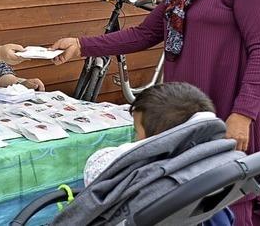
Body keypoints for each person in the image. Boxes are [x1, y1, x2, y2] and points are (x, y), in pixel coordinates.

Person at [52, 0, 260, 225]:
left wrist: (243, 114)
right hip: (186, 110)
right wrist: (82, 46)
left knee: (226, 196)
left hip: (227, 106)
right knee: (188, 198)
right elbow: (145, 33)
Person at [83, 82, 234, 225]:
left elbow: (97, 171)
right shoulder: (211, 173)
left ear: (157, 142)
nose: (135, 139)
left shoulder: (147, 180)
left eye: (137, 132)